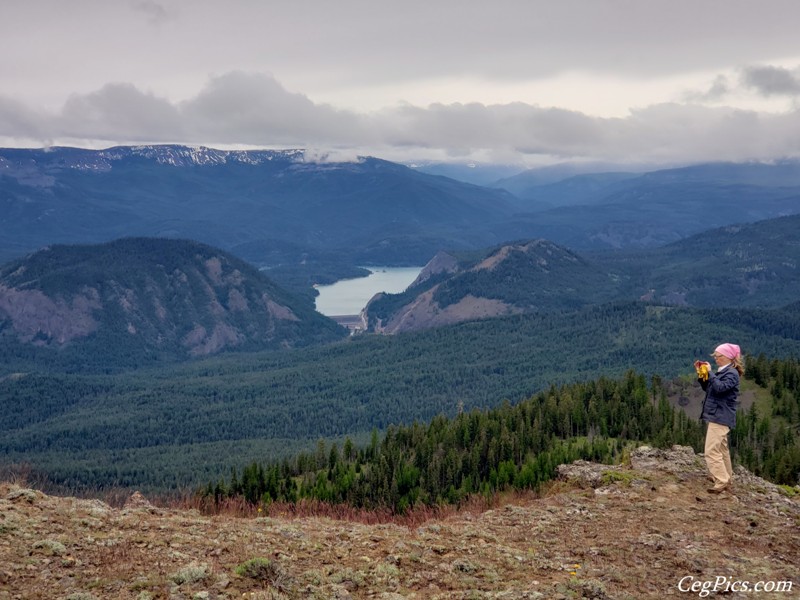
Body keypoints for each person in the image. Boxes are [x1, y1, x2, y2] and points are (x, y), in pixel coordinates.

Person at [696, 343, 743, 494]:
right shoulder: (724, 372)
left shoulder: (732, 374)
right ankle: (726, 477)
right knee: (722, 449)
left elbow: (720, 388)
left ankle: (721, 480)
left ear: (728, 357)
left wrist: (710, 374)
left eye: (718, 356)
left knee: (711, 450)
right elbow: (710, 388)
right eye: (714, 355)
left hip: (721, 416)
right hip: (718, 415)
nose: (715, 358)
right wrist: (703, 376)